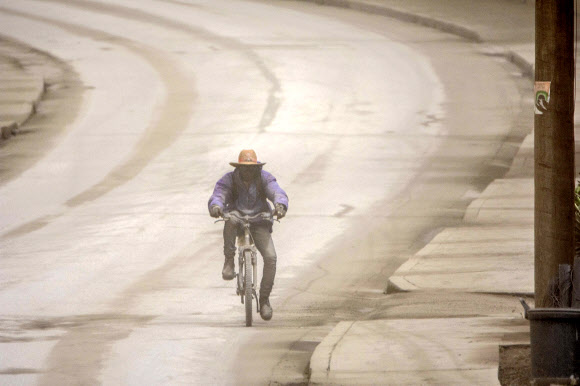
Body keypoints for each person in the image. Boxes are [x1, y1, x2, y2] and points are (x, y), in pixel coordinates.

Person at [208, 149, 288, 321]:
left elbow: (276, 191)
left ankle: (265, 299)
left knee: (271, 258)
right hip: (236, 216)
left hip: (260, 219)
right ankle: (229, 260)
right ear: (239, 167)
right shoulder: (229, 179)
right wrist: (216, 206)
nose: (248, 171)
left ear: (256, 167)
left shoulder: (264, 178)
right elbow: (219, 193)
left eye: (251, 167)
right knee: (229, 222)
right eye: (244, 167)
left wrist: (280, 205)